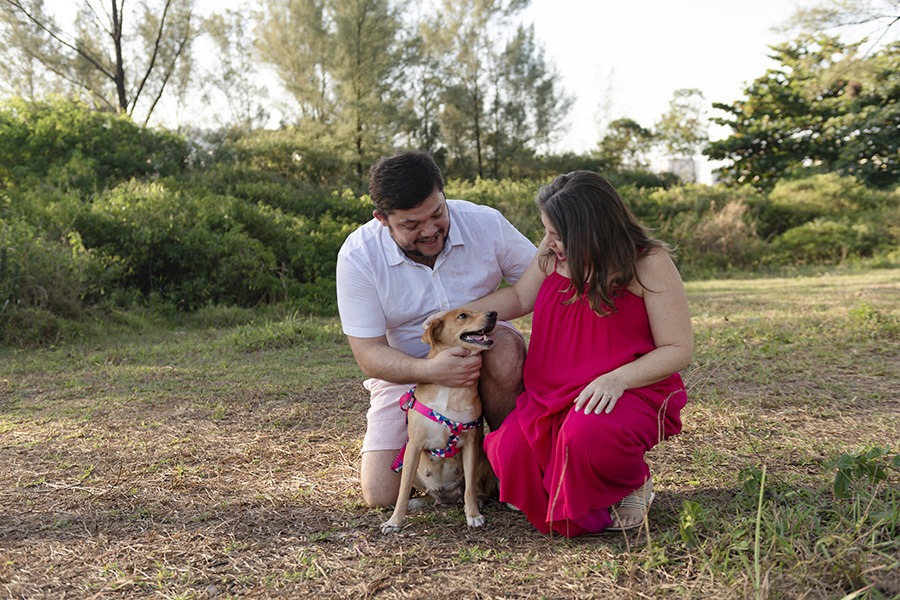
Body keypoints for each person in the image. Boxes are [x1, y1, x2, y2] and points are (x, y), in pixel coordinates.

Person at [430, 170, 692, 536]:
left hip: (625, 387)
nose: (548, 241)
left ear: (592, 230)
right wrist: (456, 316)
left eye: (556, 233)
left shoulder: (648, 262)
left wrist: (617, 379)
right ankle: (584, 493)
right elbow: (520, 297)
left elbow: (678, 348)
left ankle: (633, 480)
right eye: (547, 231)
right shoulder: (555, 253)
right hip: (551, 395)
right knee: (509, 450)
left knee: (585, 437)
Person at [336, 150, 537, 508]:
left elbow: (537, 284)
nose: (429, 231)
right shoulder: (358, 256)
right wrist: (429, 369)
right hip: (408, 371)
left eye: (437, 213)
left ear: (443, 194)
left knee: (505, 350)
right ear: (382, 219)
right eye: (412, 225)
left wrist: (462, 318)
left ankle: (514, 463)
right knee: (381, 494)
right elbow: (368, 355)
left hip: (482, 354)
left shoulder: (485, 222)